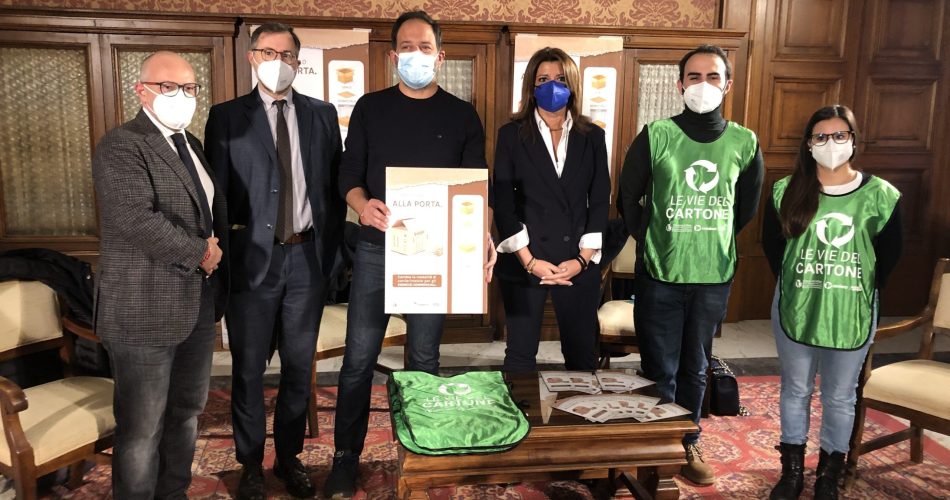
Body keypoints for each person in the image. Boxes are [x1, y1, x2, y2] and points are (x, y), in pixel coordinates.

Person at [324, 10, 495, 499]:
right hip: (378, 250)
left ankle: (421, 451)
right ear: (392, 55)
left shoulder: (462, 115)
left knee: (423, 358)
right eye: (406, 46)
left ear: (440, 57)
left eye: (425, 47)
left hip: (434, 256)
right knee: (359, 358)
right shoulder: (370, 108)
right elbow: (347, 176)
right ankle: (345, 456)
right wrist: (363, 205)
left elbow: (475, 187)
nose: (415, 55)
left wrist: (483, 235)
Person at [204, 22, 345, 499]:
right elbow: (217, 195)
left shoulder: (322, 114)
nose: (278, 62)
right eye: (268, 52)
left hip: (307, 258)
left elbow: (334, 188)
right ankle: (249, 464)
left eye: (287, 55)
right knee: (247, 369)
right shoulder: (226, 117)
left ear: (297, 62)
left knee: (298, 368)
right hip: (251, 263)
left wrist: (333, 253)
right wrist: (221, 261)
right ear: (252, 57)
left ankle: (288, 458)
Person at [617, 44, 764, 485]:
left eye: (713, 76)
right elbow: (628, 197)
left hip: (712, 274)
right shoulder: (656, 135)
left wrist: (707, 237)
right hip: (661, 272)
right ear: (680, 84)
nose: (703, 84)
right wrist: (653, 238)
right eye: (694, 76)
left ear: (728, 84)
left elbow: (744, 209)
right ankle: (655, 443)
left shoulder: (744, 142)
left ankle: (687, 441)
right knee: (658, 365)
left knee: (696, 365)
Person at [91, 51, 227, 499]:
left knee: (186, 413)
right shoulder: (122, 144)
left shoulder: (191, 144)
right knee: (141, 428)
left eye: (189, 88)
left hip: (194, 304)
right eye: (168, 87)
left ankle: (173, 492)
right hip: (141, 307)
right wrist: (200, 253)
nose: (180, 96)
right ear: (142, 91)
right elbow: (136, 219)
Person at [762, 105, 902, 500]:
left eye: (840, 135)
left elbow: (889, 255)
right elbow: (773, 248)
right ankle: (791, 473)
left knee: (840, 395)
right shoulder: (786, 190)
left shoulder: (881, 195)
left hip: (852, 307)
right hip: (797, 303)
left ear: (854, 141)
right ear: (808, 144)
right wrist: (805, 283)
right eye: (821, 136)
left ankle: (828, 474)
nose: (830, 143)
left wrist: (848, 286)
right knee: (795, 389)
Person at [492, 47, 610, 372]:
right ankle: (521, 407)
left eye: (560, 78)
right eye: (543, 79)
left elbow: (600, 199)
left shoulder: (593, 136)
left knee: (582, 355)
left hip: (577, 259)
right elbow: (503, 201)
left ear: (572, 84)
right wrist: (530, 262)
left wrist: (582, 259)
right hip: (525, 259)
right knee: (519, 356)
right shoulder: (511, 135)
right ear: (531, 85)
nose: (552, 86)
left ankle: (579, 408)